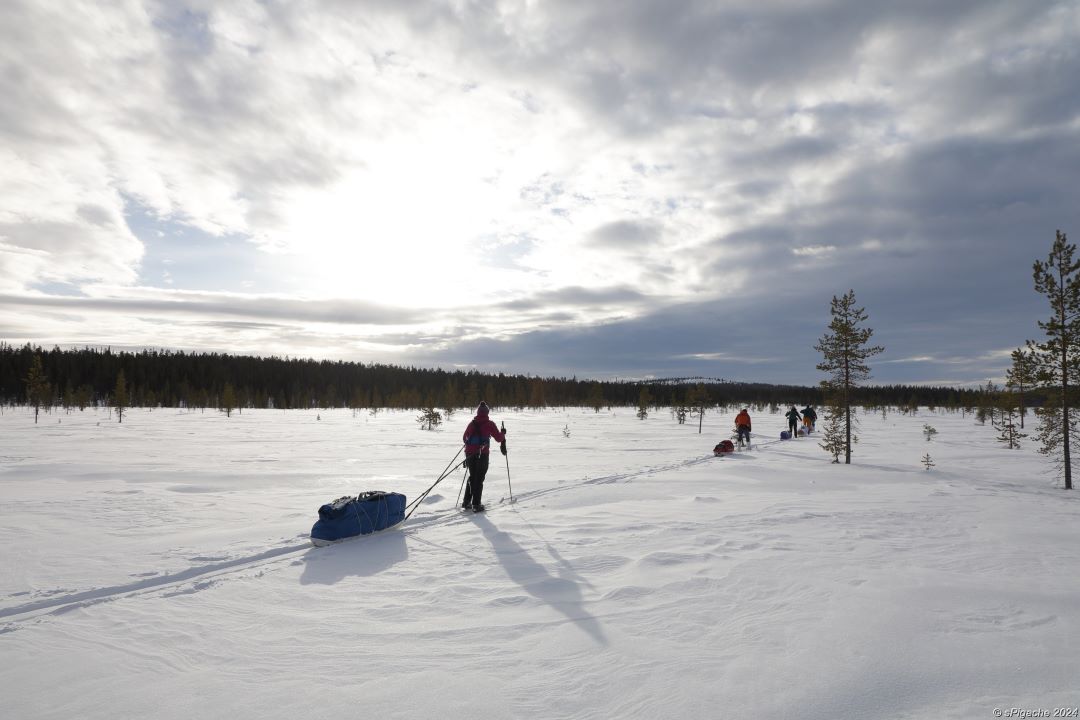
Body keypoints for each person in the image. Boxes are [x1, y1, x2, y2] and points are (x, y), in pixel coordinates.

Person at [461, 401, 506, 512]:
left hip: (469, 454)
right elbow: (499, 438)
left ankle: (466, 502)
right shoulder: (489, 424)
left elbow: (464, 438)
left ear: (478, 412)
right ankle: (476, 504)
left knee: (472, 476)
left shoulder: (472, 423)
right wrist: (503, 433)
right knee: (479, 478)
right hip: (482, 454)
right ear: (487, 412)